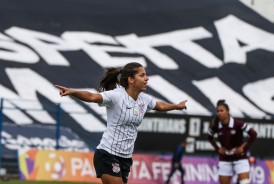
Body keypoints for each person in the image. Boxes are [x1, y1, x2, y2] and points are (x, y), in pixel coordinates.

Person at [54, 62, 187, 184]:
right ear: (131, 80)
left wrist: (176, 106)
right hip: (107, 154)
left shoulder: (144, 100)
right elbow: (92, 96)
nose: (147, 78)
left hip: (125, 158)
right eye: (142, 75)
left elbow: (160, 106)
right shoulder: (116, 96)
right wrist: (72, 92)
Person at [207, 99, 257, 184]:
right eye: (217, 111)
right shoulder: (215, 125)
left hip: (240, 158)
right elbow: (210, 137)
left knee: (244, 182)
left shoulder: (238, 123)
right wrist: (217, 148)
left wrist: (244, 148)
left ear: (227, 111)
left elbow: (253, 134)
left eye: (222, 110)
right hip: (225, 159)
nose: (219, 113)